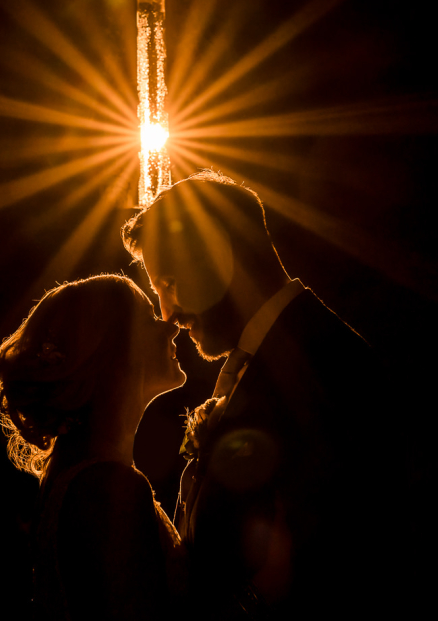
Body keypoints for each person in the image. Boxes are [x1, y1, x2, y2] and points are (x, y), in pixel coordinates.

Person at [121, 170, 406, 616]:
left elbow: (336, 567)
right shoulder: (275, 355)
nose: (167, 313)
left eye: (168, 284)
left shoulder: (322, 366)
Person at [0, 274, 189, 620]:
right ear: (113, 351)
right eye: (149, 319)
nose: (171, 328)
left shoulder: (80, 471)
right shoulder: (107, 488)